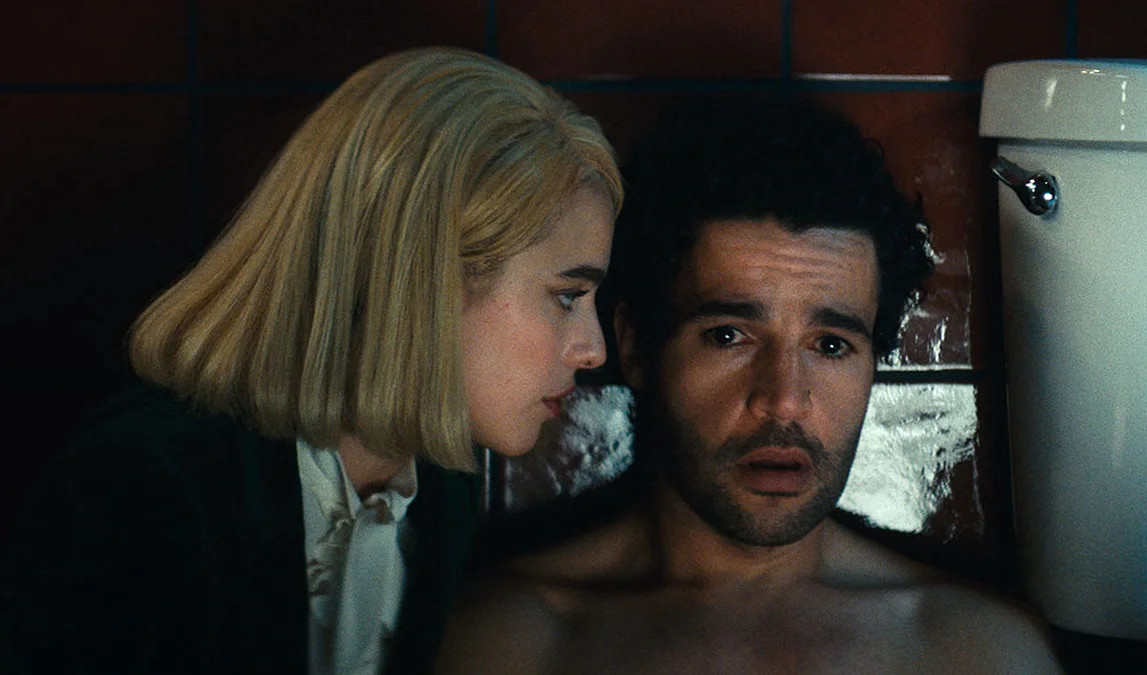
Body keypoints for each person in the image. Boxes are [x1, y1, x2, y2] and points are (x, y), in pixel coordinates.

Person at [0, 47, 621, 675]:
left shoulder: (440, 494)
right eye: (567, 297)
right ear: (423, 278)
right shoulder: (145, 491)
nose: (593, 348)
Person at [434, 99, 1063, 674]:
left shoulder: (974, 650)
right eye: (729, 336)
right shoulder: (514, 642)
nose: (783, 400)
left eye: (831, 345)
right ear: (636, 347)